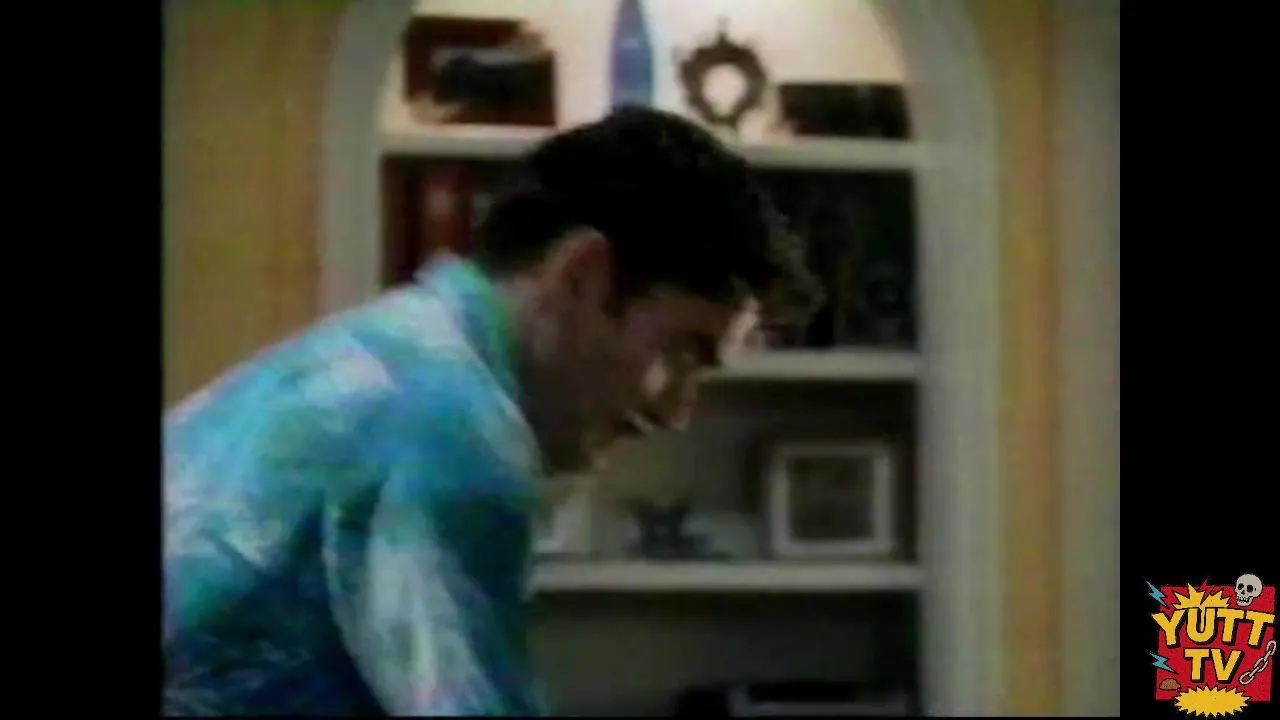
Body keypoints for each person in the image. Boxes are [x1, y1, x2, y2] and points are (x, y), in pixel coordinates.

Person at [163, 107, 820, 716]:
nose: (677, 412)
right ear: (583, 275)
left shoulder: (379, 351)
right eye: (681, 351)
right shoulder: (450, 435)